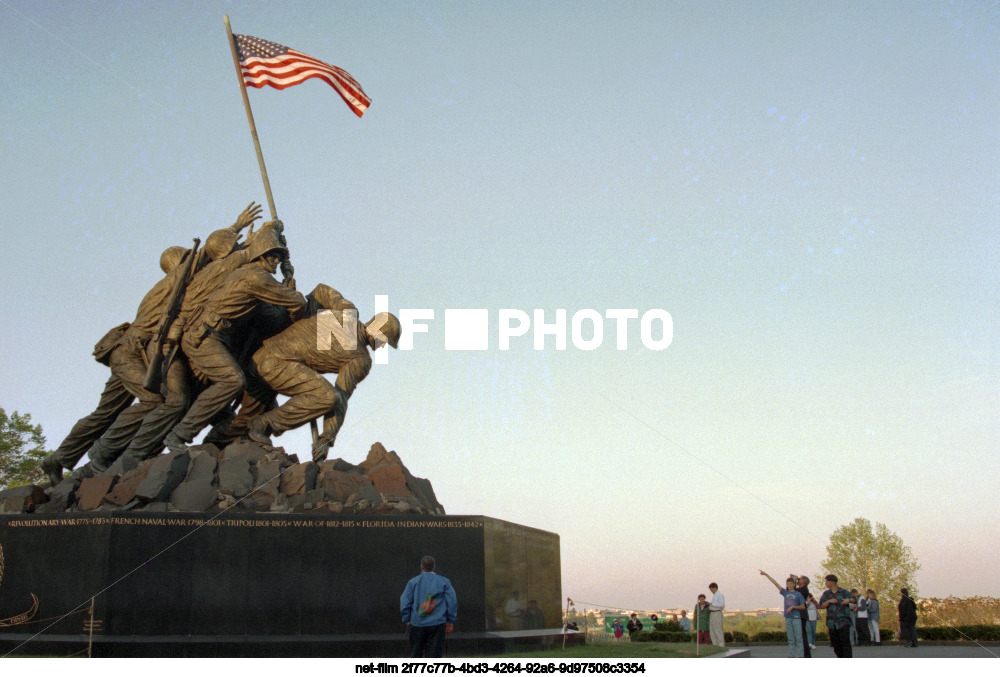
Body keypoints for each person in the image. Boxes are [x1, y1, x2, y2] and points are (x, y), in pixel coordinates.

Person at [162, 226, 307, 454]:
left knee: (259, 393)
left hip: (219, 338)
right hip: (204, 335)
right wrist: (291, 295)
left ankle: (224, 442)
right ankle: (178, 435)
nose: (276, 260)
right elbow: (297, 305)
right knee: (233, 381)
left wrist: (287, 286)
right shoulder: (256, 276)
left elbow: (273, 316)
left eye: (279, 256)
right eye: (272, 254)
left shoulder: (255, 277)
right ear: (260, 253)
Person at [400, 555, 457, 658]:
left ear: (421, 567)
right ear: (434, 567)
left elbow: (405, 601)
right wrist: (450, 621)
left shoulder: (413, 582)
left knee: (416, 653)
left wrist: (406, 618)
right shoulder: (444, 581)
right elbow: (452, 601)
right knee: (434, 656)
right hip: (437, 623)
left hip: (417, 623)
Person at [760, 571, 805, 657]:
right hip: (788, 617)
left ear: (794, 585)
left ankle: (801, 655)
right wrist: (766, 575)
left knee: (799, 638)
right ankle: (792, 655)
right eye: (788, 584)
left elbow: (803, 606)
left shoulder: (798, 594)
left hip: (796, 617)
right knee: (791, 638)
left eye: (791, 584)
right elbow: (775, 584)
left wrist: (793, 607)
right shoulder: (785, 593)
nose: (790, 585)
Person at [818, 574, 854, 658]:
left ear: (832, 582)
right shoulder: (826, 594)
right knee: (836, 644)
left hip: (843, 622)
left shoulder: (843, 592)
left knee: (845, 643)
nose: (825, 583)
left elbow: (854, 599)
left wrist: (848, 600)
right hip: (832, 623)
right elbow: (821, 606)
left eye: (826, 581)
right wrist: (829, 601)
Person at [795, 575, 814, 657]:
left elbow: (792, 592)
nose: (799, 579)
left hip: (801, 614)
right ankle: (804, 654)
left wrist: (794, 582)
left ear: (804, 582)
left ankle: (806, 655)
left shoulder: (803, 589)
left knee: (802, 635)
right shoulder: (802, 589)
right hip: (799, 614)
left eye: (800, 579)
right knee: (800, 635)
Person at [708, 582, 725, 647]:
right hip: (712, 613)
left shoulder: (720, 594)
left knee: (718, 629)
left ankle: (721, 645)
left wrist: (712, 604)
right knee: (712, 630)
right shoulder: (714, 595)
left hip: (717, 613)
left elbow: (722, 605)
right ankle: (715, 644)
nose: (711, 591)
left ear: (715, 588)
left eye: (711, 589)